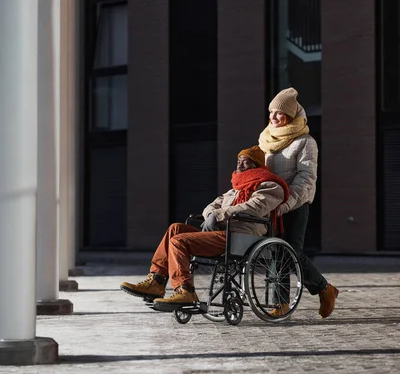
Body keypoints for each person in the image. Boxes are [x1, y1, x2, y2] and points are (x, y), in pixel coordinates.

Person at [120, 145, 289, 311]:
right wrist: (211, 215)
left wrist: (220, 214)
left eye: (246, 161)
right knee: (175, 229)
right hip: (221, 232)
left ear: (257, 166)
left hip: (241, 236)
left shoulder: (270, 186)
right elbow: (212, 204)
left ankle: (185, 290)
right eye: (238, 160)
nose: (240, 164)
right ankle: (156, 281)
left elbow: (255, 206)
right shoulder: (235, 189)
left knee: (179, 241)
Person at [258, 87, 339, 318]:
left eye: (279, 112)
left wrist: (286, 202)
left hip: (295, 204)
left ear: (291, 115)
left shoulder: (305, 142)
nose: (273, 116)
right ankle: (280, 303)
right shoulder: (265, 138)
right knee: (274, 251)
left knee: (292, 250)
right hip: (269, 205)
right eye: (271, 112)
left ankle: (324, 289)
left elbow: (306, 179)